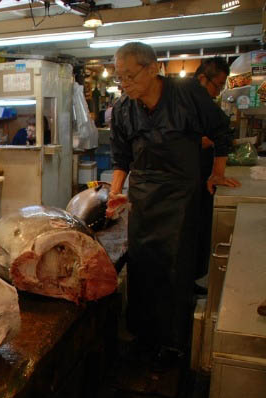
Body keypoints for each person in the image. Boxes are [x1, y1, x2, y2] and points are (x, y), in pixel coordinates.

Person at [107, 42, 239, 371]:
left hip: (181, 195)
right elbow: (122, 157)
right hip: (144, 196)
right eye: (119, 78)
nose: (125, 84)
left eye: (130, 76)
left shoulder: (186, 94)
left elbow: (221, 130)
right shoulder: (124, 108)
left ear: (153, 69)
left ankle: (173, 343)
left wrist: (217, 173)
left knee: (175, 269)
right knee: (141, 267)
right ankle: (142, 337)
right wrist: (114, 192)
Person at [194, 57, 231, 285]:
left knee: (199, 232)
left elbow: (223, 135)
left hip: (201, 180)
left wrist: (217, 173)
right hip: (181, 181)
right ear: (201, 79)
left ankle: (194, 281)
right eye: (217, 86)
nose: (218, 93)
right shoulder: (182, 102)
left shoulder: (207, 106)